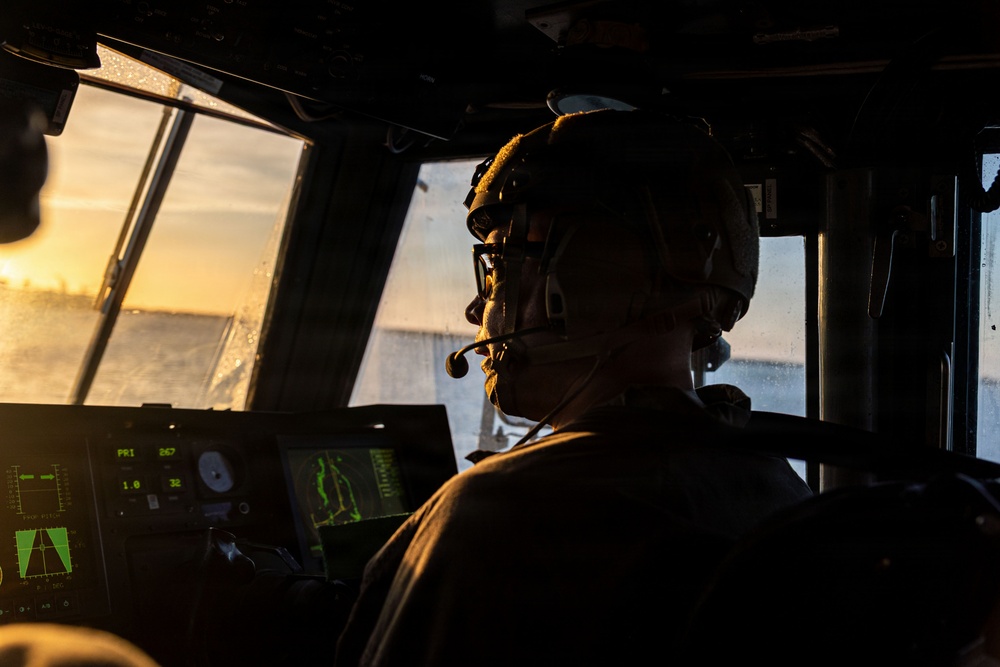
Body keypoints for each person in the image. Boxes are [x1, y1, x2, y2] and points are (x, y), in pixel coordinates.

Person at [334, 108, 813, 666]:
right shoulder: (776, 490)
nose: (477, 309)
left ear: (588, 274)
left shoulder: (499, 518)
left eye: (497, 271)